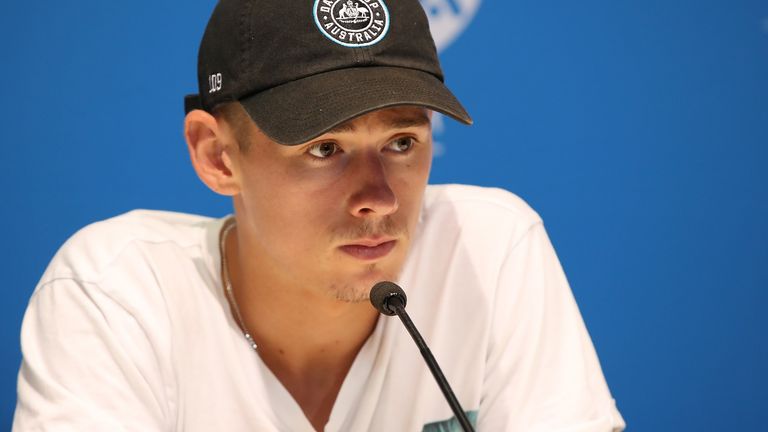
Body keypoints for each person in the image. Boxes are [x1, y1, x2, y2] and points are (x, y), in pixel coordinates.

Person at [13, 0, 626, 431]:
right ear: (217, 155)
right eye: (324, 149)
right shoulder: (117, 290)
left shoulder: (489, 249)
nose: (379, 198)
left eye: (402, 143)